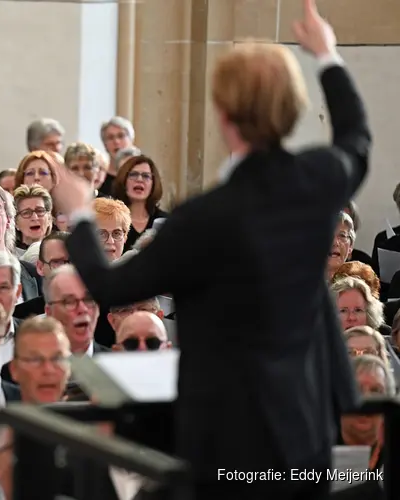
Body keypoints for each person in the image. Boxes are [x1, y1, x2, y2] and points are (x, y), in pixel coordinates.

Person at [50, 1, 368, 498]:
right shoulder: (319, 179)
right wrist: (327, 55)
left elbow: (114, 285)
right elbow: (356, 138)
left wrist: (83, 214)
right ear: (293, 108)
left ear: (223, 115)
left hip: (228, 445)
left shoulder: (202, 218)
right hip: (307, 427)